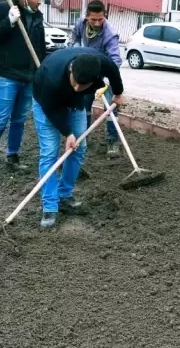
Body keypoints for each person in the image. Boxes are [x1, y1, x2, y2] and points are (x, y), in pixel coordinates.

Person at [32, 47, 125, 228]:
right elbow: (52, 110)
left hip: (74, 103)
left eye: (82, 86)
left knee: (79, 148)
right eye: (75, 82)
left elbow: (113, 70)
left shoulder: (100, 63)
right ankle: (50, 205)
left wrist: (118, 93)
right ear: (71, 69)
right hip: (46, 104)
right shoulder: (51, 77)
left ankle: (65, 195)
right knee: (50, 152)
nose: (76, 87)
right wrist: (68, 133)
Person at [0, 0, 47, 183]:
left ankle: (12, 156)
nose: (38, 2)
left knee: (19, 120)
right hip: (7, 75)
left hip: (29, 77)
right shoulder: (3, 9)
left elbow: (39, 46)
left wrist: (40, 71)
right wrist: (8, 22)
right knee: (0, 120)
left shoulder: (36, 16)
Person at [70, 0, 123, 156]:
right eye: (93, 19)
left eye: (101, 19)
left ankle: (113, 141)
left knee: (112, 108)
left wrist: (108, 77)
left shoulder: (110, 34)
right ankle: (84, 137)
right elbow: (74, 37)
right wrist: (75, 48)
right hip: (87, 71)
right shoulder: (81, 24)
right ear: (87, 17)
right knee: (83, 104)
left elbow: (115, 59)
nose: (98, 23)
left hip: (106, 72)